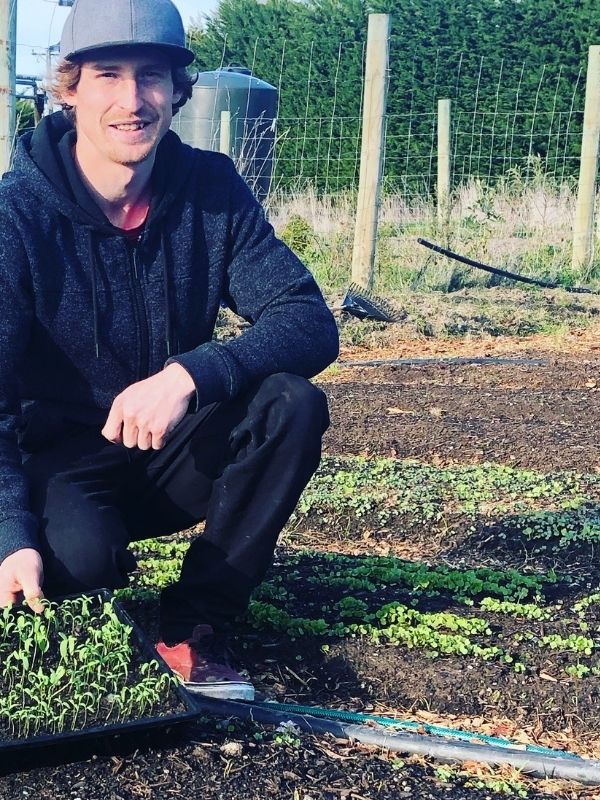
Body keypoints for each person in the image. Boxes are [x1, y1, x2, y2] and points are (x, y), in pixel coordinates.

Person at [0, 0, 338, 700]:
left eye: (152, 76)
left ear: (179, 91)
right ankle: (72, 558)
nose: (132, 100)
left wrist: (193, 371)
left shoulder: (210, 189)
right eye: (108, 75)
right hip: (61, 462)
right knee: (81, 564)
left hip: (170, 448)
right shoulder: (15, 215)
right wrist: (9, 533)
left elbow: (307, 319)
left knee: (290, 404)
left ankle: (196, 623)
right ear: (70, 88)